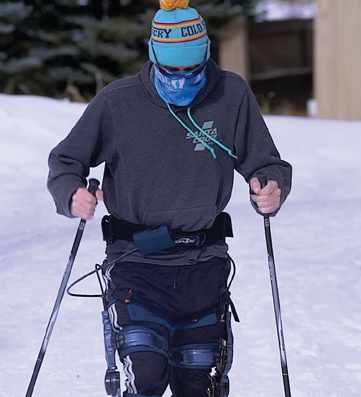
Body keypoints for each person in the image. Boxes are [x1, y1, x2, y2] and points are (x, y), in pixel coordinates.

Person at [47, 0, 292, 396]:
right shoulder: (118, 101)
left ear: (207, 55)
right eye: (170, 70)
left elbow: (266, 163)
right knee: (145, 374)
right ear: (153, 55)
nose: (180, 79)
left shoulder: (231, 95)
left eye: (191, 70)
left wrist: (270, 186)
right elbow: (66, 159)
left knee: (196, 382)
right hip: (135, 262)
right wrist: (71, 192)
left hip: (204, 264)